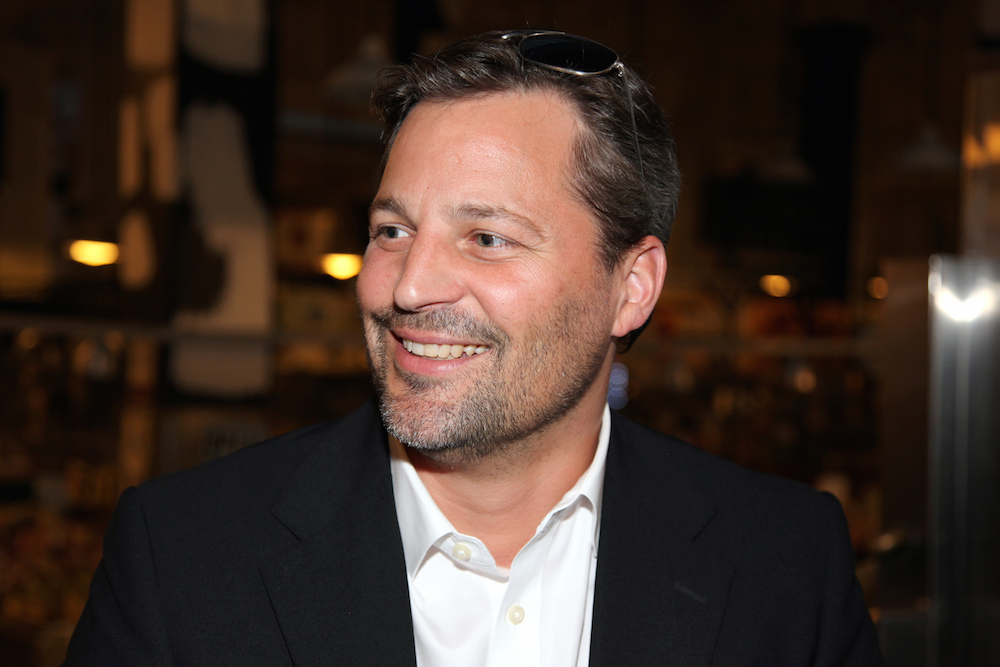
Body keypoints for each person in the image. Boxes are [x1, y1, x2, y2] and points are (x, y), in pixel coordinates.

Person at [65, 30, 883, 666]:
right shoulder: (182, 558)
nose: (409, 286)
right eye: (392, 230)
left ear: (632, 286)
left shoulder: (784, 566)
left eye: (487, 238)